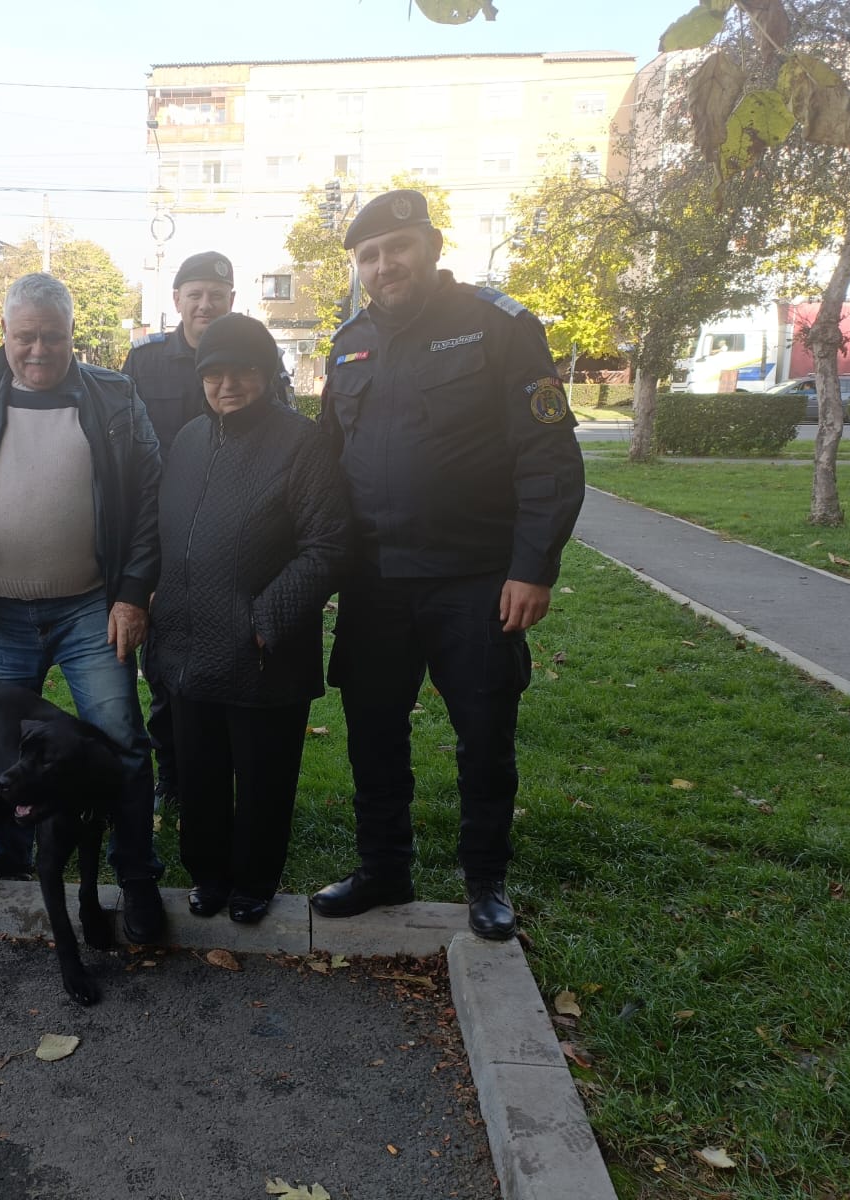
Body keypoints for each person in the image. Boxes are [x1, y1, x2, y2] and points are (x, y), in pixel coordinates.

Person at [311, 189, 585, 940]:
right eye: (369, 255)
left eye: (397, 247)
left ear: (429, 246)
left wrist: (534, 567)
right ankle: (383, 868)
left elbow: (548, 455)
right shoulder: (349, 341)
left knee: (484, 730)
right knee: (371, 729)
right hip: (376, 582)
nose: (384, 263)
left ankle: (485, 880)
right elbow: (328, 461)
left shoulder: (496, 326)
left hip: (476, 579)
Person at [0, 272, 167, 943]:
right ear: (3, 333)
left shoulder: (113, 396)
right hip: (2, 611)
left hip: (91, 608)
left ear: (72, 335)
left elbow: (148, 501)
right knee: (1, 753)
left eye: (53, 337)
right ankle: (3, 859)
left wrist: (134, 590)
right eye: (25, 337)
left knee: (123, 743)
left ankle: (136, 878)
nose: (39, 350)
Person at [147, 314, 347, 924]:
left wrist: (266, 619)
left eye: (243, 371)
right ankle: (208, 874)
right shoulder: (186, 440)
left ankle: (255, 880)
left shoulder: (302, 442)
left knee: (263, 776)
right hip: (187, 641)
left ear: (267, 374)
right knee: (200, 770)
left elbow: (329, 545)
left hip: (263, 648)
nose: (227, 384)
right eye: (215, 373)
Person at [121, 250, 235, 811]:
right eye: (195, 294)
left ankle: (221, 770)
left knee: (223, 656)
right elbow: (119, 446)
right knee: (164, 664)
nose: (205, 304)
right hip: (161, 534)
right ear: (177, 302)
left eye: (216, 294)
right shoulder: (144, 361)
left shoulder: (248, 352)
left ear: (231, 300)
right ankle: (171, 773)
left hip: (230, 535)